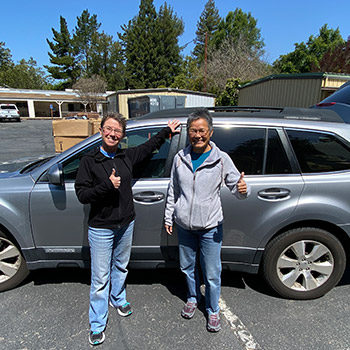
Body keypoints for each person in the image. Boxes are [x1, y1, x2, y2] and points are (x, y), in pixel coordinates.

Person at [75, 112, 180, 346]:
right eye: (109, 129)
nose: (113, 134)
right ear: (101, 130)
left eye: (118, 131)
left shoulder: (126, 156)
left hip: (126, 224)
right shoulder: (89, 161)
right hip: (101, 227)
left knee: (121, 266)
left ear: (122, 135)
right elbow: (82, 195)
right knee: (100, 277)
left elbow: (148, 146)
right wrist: (106, 186)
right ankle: (97, 324)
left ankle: (118, 298)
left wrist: (166, 131)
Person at [164, 108, 250, 332]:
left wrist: (242, 189)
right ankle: (193, 298)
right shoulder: (179, 158)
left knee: (212, 272)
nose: (198, 135)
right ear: (188, 133)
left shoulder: (221, 159)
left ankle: (212, 310)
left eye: (202, 131)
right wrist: (169, 216)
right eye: (193, 131)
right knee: (187, 267)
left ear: (210, 132)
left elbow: (235, 186)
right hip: (184, 225)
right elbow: (173, 189)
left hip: (211, 227)